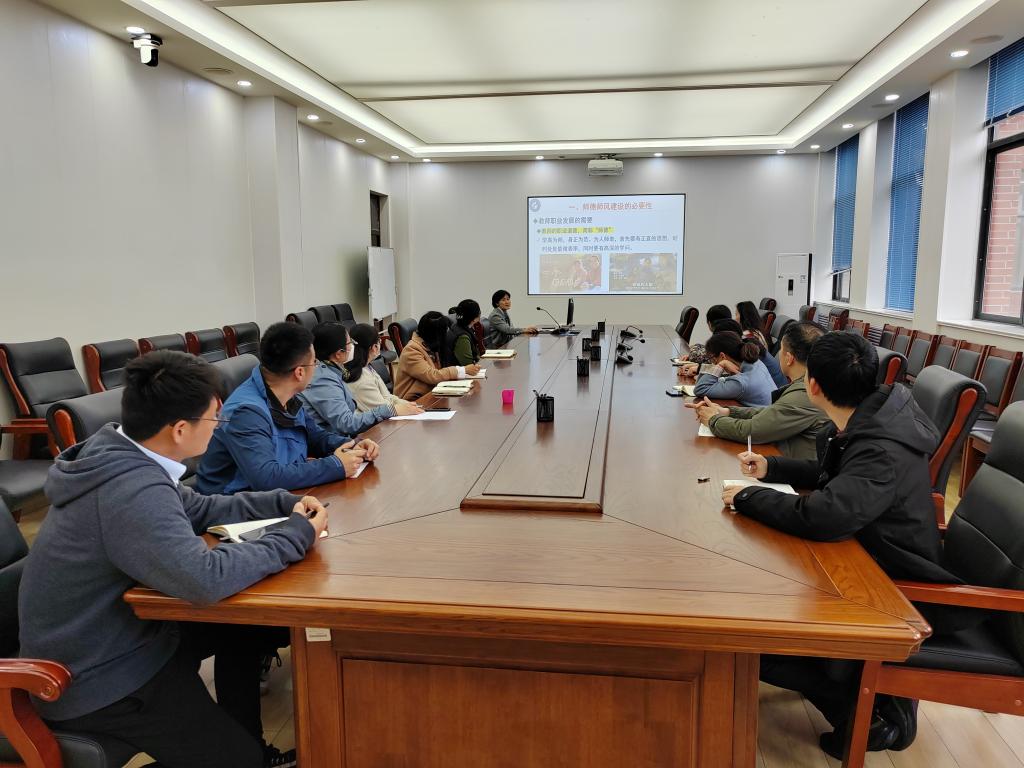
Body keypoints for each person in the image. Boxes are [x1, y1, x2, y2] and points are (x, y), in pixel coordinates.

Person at [19, 350, 328, 768]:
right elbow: (205, 578)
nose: (218, 427)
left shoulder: (122, 453)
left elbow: (198, 508)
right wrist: (295, 535)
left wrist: (282, 503)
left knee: (245, 632)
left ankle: (246, 742)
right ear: (181, 429)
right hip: (95, 676)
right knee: (238, 760)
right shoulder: (129, 490)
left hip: (121, 635)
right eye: (214, 419)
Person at [721, 332, 971, 758]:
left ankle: (872, 716)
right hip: (870, 561)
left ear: (813, 384)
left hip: (896, 589)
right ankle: (858, 697)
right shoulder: (873, 421)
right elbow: (837, 480)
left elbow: (826, 516)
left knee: (751, 639)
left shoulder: (879, 448)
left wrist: (747, 497)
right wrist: (771, 468)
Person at [197, 322, 379, 495]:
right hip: (234, 505)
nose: (317, 368)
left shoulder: (286, 395)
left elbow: (315, 436)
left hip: (278, 494)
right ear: (299, 372)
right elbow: (266, 477)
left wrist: (353, 446)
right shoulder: (246, 413)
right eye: (315, 362)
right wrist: (336, 465)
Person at [687, 322, 828, 459]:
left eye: (781, 350)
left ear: (789, 358)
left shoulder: (806, 393)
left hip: (794, 468)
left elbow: (752, 431)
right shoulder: (807, 384)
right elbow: (773, 412)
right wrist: (727, 411)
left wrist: (713, 420)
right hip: (784, 458)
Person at [300, 322, 423, 435]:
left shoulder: (332, 371)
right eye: (349, 343)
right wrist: (390, 410)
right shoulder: (323, 380)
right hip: (329, 444)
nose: (353, 346)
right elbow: (346, 423)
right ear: (338, 354)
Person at [395, 311, 482, 400]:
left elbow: (443, 369)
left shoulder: (431, 346)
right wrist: (463, 370)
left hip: (433, 393)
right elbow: (432, 376)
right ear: (434, 334)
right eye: (443, 333)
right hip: (412, 401)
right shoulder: (411, 351)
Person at [343, 323, 421, 414]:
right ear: (374, 347)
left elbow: (387, 396)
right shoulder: (361, 379)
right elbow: (383, 410)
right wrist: (403, 408)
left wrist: (408, 404)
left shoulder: (365, 367)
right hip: (378, 421)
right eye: (379, 341)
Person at [692, 330, 776, 407]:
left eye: (713, 360)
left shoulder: (740, 383)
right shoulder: (756, 362)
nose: (713, 364)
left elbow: (700, 389)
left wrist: (721, 365)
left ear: (722, 356)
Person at [736, 300, 787, 387]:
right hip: (772, 379)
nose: (735, 318)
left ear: (743, 317)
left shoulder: (748, 337)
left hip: (771, 384)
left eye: (736, 314)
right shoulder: (756, 331)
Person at [445, 299, 483, 366]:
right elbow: (468, 364)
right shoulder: (462, 337)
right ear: (475, 318)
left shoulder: (456, 326)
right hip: (462, 371)